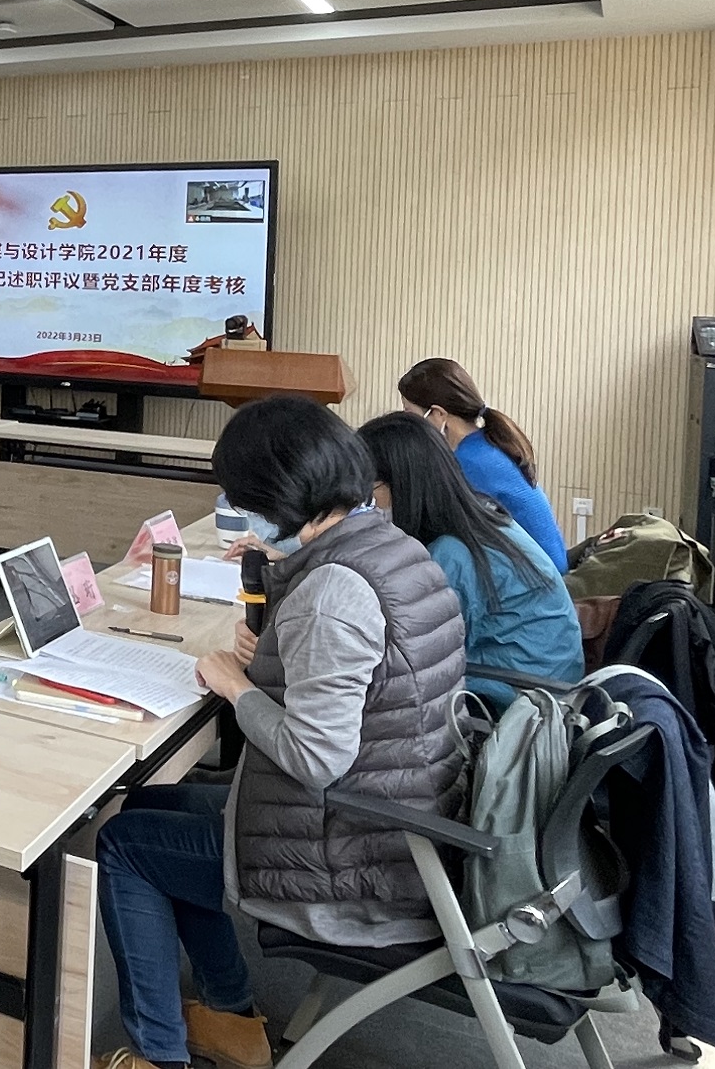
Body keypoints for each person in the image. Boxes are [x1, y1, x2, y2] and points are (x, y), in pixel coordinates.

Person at [93, 396, 465, 1069]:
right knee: (150, 803)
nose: (242, 514)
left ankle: (158, 1055)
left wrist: (235, 686)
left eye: (245, 500)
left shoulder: (333, 594)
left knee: (125, 843)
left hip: (352, 861)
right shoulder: (394, 546)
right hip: (400, 820)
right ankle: (230, 1017)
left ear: (281, 497)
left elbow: (316, 757)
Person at [360, 412, 583, 705]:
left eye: (368, 490)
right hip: (548, 686)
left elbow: (415, 657)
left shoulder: (451, 554)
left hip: (518, 704)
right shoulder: (483, 519)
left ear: (402, 485)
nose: (365, 504)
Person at [398, 357, 567, 570]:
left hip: (537, 577)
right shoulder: (486, 445)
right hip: (548, 569)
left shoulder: (469, 462)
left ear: (438, 414)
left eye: (409, 413)